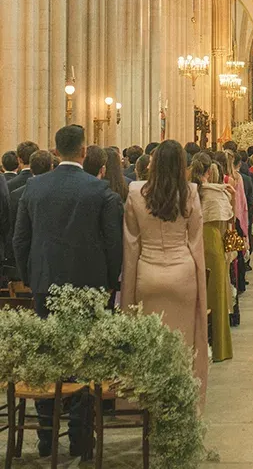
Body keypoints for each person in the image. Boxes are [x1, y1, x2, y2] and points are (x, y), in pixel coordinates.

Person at [13, 125, 123, 456]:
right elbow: (113, 246)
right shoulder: (100, 190)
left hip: (45, 285)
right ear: (84, 151)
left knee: (47, 357)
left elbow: (21, 239)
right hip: (90, 287)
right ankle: (81, 440)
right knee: (85, 359)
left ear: (57, 152)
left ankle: (46, 436)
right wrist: (108, 283)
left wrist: (31, 278)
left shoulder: (34, 187)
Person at [121, 139, 208, 405]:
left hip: (148, 274)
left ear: (153, 163)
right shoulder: (191, 193)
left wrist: (128, 291)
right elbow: (195, 242)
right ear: (183, 165)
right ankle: (180, 405)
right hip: (182, 275)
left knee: (150, 345)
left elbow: (131, 245)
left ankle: (150, 405)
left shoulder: (136, 192)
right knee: (183, 343)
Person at [191, 154, 234, 362]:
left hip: (190, 246)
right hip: (212, 246)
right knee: (215, 295)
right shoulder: (217, 194)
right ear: (209, 172)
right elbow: (227, 224)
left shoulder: (188, 192)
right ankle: (218, 348)